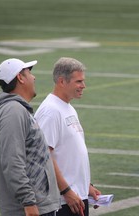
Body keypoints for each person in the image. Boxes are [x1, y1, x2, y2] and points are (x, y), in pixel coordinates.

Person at [0, 58, 61, 216]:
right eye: (29, 73)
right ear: (20, 78)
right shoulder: (13, 111)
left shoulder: (19, 109)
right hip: (30, 209)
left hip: (38, 205)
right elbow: (12, 161)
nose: (33, 78)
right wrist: (28, 202)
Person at [34, 57, 101, 216]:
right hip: (63, 201)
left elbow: (70, 152)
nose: (83, 86)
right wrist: (66, 191)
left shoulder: (67, 107)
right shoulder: (50, 111)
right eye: (78, 81)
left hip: (76, 196)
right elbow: (44, 157)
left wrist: (86, 186)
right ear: (62, 81)